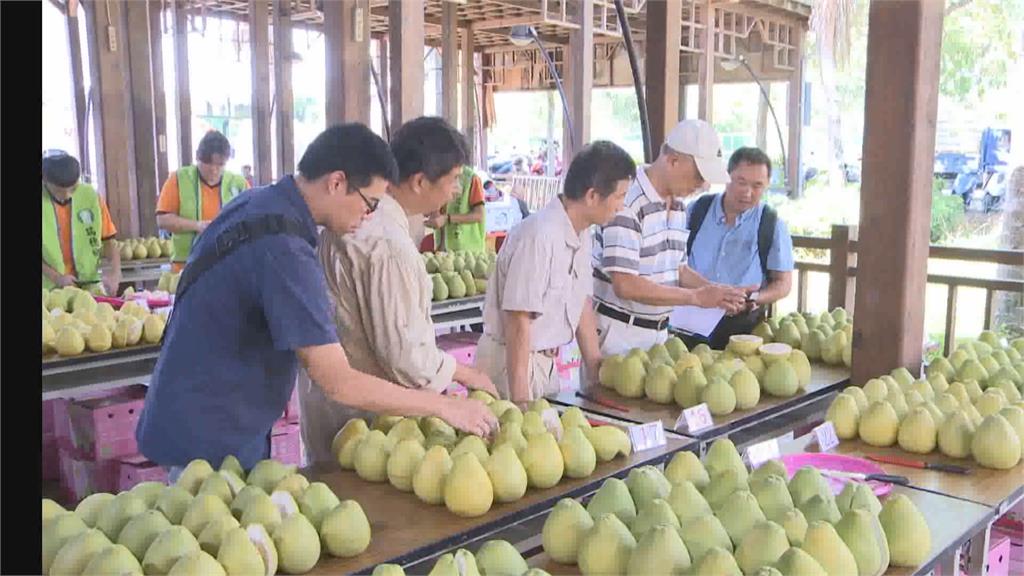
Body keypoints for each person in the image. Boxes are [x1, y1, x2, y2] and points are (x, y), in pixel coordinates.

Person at [136, 124, 498, 475]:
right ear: (337, 182)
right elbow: (338, 381)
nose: (369, 216)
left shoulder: (259, 202)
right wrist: (443, 406)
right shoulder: (284, 249)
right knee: (209, 525)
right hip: (214, 427)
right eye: (369, 203)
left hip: (202, 405)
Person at [300, 117, 499, 464]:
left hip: (331, 409)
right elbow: (405, 358)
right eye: (453, 180)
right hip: (369, 427)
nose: (456, 191)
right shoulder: (388, 244)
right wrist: (463, 375)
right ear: (420, 181)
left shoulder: (350, 219)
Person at [476, 141, 637, 404]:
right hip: (512, 365)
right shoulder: (539, 235)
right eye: (619, 197)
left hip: (545, 365)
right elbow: (518, 320)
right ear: (592, 195)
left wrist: (595, 373)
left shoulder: (583, 232)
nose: (621, 206)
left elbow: (581, 304)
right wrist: (520, 402)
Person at [592, 119, 751, 356]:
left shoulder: (678, 206)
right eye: (699, 175)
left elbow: (678, 270)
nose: (703, 185)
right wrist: (696, 297)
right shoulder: (627, 199)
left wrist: (717, 292)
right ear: (673, 160)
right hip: (619, 333)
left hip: (660, 334)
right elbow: (624, 283)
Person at [685, 147, 794, 349]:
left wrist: (756, 298)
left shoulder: (771, 224)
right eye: (741, 182)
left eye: (757, 186)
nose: (747, 192)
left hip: (742, 327)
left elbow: (783, 283)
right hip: (689, 321)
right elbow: (674, 264)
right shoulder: (696, 211)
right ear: (727, 177)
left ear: (767, 185)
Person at [156, 131, 250, 272]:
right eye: (208, 163)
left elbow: (253, 219)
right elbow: (162, 220)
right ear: (197, 158)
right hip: (185, 268)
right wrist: (197, 226)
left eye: (220, 165)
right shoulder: (178, 179)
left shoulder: (239, 184)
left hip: (229, 266)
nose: (214, 170)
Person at [42, 150, 122, 295]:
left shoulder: (91, 196)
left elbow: (109, 241)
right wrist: (58, 278)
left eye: (73, 189)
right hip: (49, 292)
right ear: (45, 181)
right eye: (59, 191)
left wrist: (115, 274)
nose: (66, 195)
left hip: (88, 288)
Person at [426, 164, 487, 253]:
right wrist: (434, 213)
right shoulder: (438, 175)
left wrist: (447, 219)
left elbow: (479, 215)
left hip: (468, 252)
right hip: (442, 248)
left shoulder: (471, 179)